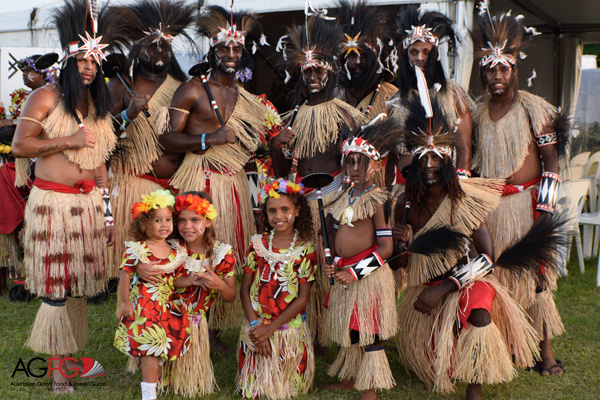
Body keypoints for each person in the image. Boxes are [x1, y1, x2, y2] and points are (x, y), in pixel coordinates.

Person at [391, 98, 540, 400]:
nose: (430, 165)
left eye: (436, 158)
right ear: (416, 163)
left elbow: (487, 258)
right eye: (423, 159)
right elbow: (397, 266)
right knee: (436, 370)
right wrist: (402, 246)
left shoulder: (466, 200)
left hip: (465, 280)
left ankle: (475, 386)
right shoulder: (405, 204)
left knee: (480, 311)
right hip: (425, 287)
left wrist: (444, 288)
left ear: (447, 161)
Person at [10, 0, 122, 392]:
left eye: (94, 61)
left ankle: (72, 360)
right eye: (81, 60)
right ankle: (58, 374)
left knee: (78, 288)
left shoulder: (99, 107)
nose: (88, 68)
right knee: (57, 287)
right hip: (53, 205)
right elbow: (21, 146)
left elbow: (103, 168)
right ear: (67, 60)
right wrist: (68, 140)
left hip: (90, 206)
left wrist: (108, 217)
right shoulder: (44, 97)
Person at [160, 5, 270, 337]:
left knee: (226, 251)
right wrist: (210, 137)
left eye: (237, 48)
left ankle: (216, 329)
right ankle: (187, 322)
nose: (231, 53)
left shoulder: (244, 96)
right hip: (201, 178)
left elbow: (251, 150)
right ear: (213, 49)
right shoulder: (193, 88)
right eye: (224, 47)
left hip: (234, 181)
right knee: (198, 249)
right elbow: (167, 138)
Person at [471, 10, 568, 376]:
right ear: (484, 71)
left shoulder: (534, 109)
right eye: (491, 70)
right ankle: (512, 346)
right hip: (493, 210)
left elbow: (552, 165)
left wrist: (543, 211)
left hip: (527, 208)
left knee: (536, 281)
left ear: (514, 69)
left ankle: (545, 353)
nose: (497, 76)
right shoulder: (477, 116)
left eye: (504, 69)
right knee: (499, 276)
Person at [271, 15, 366, 339]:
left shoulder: (344, 112)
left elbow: (358, 163)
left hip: (337, 199)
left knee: (331, 266)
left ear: (330, 71)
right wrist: (275, 147)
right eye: (307, 70)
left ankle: (337, 331)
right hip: (303, 202)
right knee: (307, 266)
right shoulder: (295, 113)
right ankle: (310, 332)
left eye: (318, 70)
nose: (312, 76)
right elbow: (284, 173)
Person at [105, 0, 195, 279]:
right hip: (134, 183)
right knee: (138, 261)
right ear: (137, 50)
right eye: (152, 45)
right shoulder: (120, 85)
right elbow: (102, 135)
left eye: (164, 45)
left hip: (174, 186)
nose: (159, 51)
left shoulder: (181, 87)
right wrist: (127, 115)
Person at [322, 117, 399, 400]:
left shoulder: (377, 199)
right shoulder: (343, 197)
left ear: (376, 165)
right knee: (351, 328)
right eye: (350, 162)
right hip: (344, 271)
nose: (355, 169)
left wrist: (356, 272)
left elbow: (387, 247)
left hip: (366, 277)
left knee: (368, 330)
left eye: (361, 162)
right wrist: (330, 259)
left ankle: (371, 389)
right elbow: (332, 235)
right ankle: (352, 377)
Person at [237, 179, 317, 399]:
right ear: (265, 213)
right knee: (253, 391)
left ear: (298, 211)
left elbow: (302, 299)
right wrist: (256, 327)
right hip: (255, 327)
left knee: (286, 391)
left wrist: (269, 330)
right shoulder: (257, 244)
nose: (278, 216)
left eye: (285, 209)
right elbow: (244, 290)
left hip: (286, 331)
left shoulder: (305, 250)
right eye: (272, 211)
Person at [114, 190, 195, 400]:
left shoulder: (175, 249)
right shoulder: (138, 249)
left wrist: (193, 280)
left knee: (161, 348)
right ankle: (149, 395)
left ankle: (155, 382)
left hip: (167, 306)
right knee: (150, 349)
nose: (164, 225)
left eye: (168, 219)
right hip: (145, 306)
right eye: (157, 220)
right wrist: (124, 302)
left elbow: (175, 280)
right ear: (144, 224)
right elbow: (125, 275)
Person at [164, 191, 237, 396]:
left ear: (208, 220)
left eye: (195, 220)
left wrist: (219, 285)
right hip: (166, 318)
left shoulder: (221, 253)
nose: (187, 226)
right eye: (182, 220)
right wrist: (187, 281)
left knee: (189, 380)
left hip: (196, 321)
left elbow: (230, 296)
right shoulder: (170, 248)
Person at [389, 5, 473, 179]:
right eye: (414, 52)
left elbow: (464, 148)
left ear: (435, 55)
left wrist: (459, 186)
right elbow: (391, 156)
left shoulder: (453, 94)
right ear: (406, 56)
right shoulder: (395, 102)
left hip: (445, 186)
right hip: (405, 188)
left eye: (426, 52)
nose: (420, 57)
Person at [0, 52, 58, 292]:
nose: (24, 76)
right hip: (21, 165)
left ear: (44, 73)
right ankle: (21, 268)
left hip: (47, 168)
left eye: (29, 71)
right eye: (22, 71)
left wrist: (12, 125)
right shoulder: (24, 97)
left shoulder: (55, 97)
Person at [332, 0, 397, 118]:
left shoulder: (392, 96)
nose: (358, 62)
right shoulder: (334, 97)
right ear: (343, 59)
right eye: (352, 56)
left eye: (364, 56)